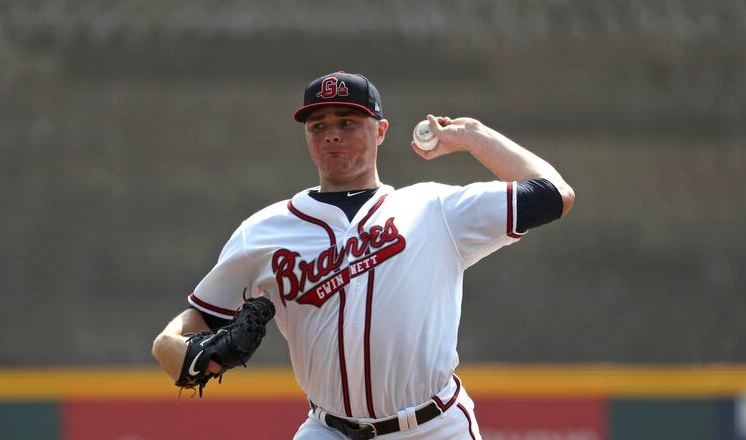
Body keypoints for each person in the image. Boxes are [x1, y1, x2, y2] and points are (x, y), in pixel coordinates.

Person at [152, 71, 575, 439]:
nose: (332, 133)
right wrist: (184, 354)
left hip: (433, 428)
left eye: (348, 121)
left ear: (380, 130)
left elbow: (554, 194)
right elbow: (182, 333)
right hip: (328, 429)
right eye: (318, 125)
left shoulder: (436, 209)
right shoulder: (264, 232)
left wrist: (474, 137)